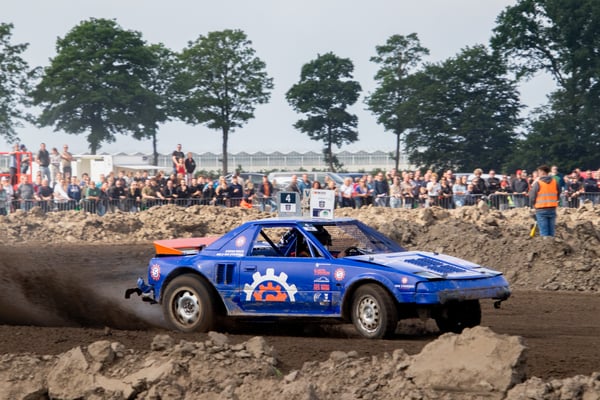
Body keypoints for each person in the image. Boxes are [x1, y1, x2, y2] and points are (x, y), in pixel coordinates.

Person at [529, 164, 559, 238]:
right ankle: (552, 243)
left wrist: (532, 206)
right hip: (552, 208)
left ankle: (546, 244)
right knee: (551, 232)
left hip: (541, 209)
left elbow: (532, 196)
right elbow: (558, 192)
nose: (538, 174)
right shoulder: (554, 182)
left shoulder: (538, 183)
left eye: (539, 172)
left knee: (544, 232)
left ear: (542, 172)